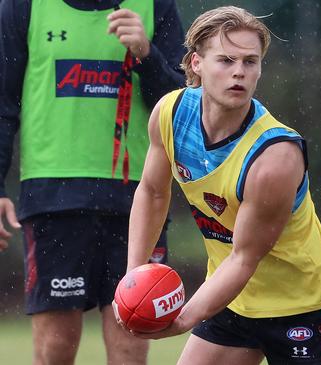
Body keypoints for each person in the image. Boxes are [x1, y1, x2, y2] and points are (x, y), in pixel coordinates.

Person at [122, 6, 321, 365]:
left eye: (250, 61)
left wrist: (184, 318)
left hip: (302, 304)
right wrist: (132, 282)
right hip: (230, 297)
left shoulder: (275, 156)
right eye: (226, 60)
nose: (239, 73)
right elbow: (152, 193)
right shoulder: (170, 113)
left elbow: (244, 258)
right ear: (196, 63)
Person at [0, 0, 185, 364]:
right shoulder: (23, 6)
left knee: (131, 344)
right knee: (55, 347)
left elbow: (181, 106)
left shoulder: (155, 6)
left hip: (137, 200)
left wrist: (147, 55)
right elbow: (3, 104)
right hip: (54, 198)